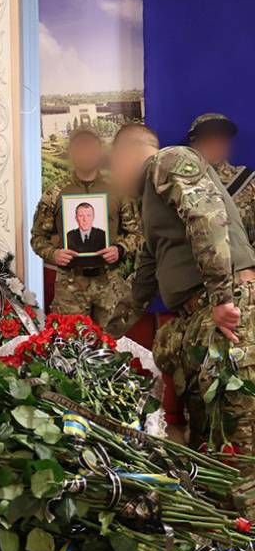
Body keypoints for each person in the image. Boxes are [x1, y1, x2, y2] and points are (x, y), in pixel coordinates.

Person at [105, 123, 255, 513]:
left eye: (112, 167)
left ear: (126, 156)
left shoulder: (168, 161)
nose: (113, 179)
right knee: (208, 452)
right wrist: (102, 336)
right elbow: (144, 278)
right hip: (204, 320)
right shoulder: (151, 203)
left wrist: (222, 297)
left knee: (237, 452)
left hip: (228, 313)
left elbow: (206, 215)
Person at [30, 127, 143, 323]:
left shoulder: (117, 190)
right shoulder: (55, 193)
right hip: (69, 287)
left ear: (99, 151)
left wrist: (120, 249)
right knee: (70, 339)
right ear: (71, 152)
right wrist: (53, 254)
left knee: (111, 340)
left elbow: (138, 233)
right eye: (80, 147)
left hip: (109, 284)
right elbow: (38, 237)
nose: (86, 152)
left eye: (90, 146)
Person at [189, 113, 255, 241]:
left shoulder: (247, 181)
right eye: (207, 138)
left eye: (221, 139)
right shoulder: (183, 183)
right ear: (194, 144)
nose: (215, 144)